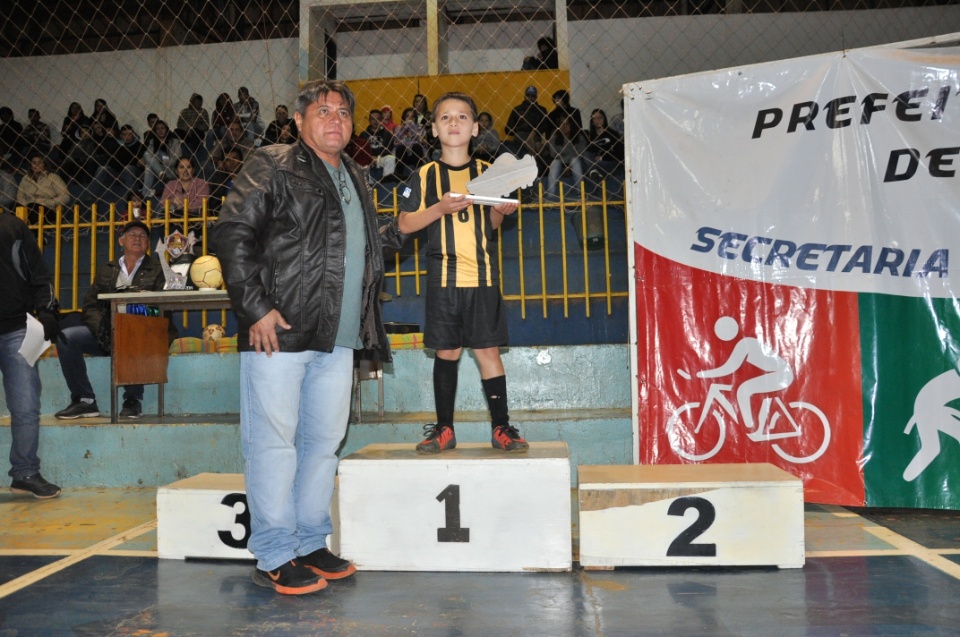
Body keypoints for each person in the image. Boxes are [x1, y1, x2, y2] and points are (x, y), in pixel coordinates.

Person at [214, 79, 406, 595]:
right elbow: (232, 232)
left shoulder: (356, 176)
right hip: (278, 332)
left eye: (343, 112)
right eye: (323, 111)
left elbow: (368, 247)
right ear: (298, 121)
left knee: (322, 445)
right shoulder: (273, 163)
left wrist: (417, 223)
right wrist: (254, 308)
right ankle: (274, 552)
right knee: (273, 445)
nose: (335, 120)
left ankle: (310, 541)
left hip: (337, 337)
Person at [396, 91, 528, 455]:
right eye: (445, 118)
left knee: (488, 351)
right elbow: (405, 224)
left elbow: (492, 224)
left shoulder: (488, 172)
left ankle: (501, 427)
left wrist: (503, 210)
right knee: (448, 352)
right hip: (444, 280)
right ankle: (444, 429)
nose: (454, 123)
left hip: (482, 278)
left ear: (474, 128)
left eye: (462, 117)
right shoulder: (425, 174)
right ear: (434, 130)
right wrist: (439, 208)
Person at [53, 219, 175, 421]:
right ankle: (85, 401)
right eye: (132, 235)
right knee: (67, 337)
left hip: (144, 333)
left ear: (148, 244)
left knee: (130, 330)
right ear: (121, 241)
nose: (137, 238)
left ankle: (132, 400)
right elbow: (90, 306)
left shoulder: (159, 269)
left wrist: (128, 324)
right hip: (107, 332)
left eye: (143, 236)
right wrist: (106, 328)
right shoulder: (107, 269)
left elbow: (163, 308)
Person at [0, 209, 62, 498]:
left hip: (17, 330)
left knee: (25, 407)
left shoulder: (13, 226)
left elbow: (40, 274)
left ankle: (25, 473)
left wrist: (47, 311)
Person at [17, 154, 70, 223]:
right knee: (14, 206)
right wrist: (26, 205)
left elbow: (66, 196)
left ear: (44, 164)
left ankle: (33, 233)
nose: (37, 165)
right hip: (29, 208)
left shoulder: (53, 177)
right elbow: (20, 196)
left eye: (40, 162)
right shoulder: (25, 179)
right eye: (34, 163)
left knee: (33, 207)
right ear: (30, 165)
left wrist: (49, 203)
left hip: (49, 210)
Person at [545, 115, 588, 199]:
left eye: (567, 124)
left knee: (574, 160)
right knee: (555, 162)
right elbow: (554, 154)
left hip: (577, 165)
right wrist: (565, 165)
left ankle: (580, 193)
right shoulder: (554, 137)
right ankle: (550, 196)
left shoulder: (580, 138)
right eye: (562, 124)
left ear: (572, 125)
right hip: (561, 165)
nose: (564, 127)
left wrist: (567, 163)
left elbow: (580, 154)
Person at [505, 86, 548, 165]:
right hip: (521, 134)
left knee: (538, 145)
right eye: (528, 95)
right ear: (524, 96)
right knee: (535, 145)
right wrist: (519, 129)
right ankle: (535, 160)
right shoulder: (517, 109)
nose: (530, 98)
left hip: (536, 134)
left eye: (533, 96)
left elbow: (546, 125)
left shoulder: (541, 110)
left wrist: (534, 132)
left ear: (536, 97)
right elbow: (508, 129)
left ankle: (533, 161)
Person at [142, 120, 182, 198]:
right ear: (155, 131)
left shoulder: (175, 141)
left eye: (162, 128)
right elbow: (147, 156)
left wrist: (162, 160)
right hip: (159, 171)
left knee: (155, 157)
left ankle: (144, 193)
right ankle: (160, 173)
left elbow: (178, 160)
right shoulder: (152, 142)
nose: (160, 131)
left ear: (166, 129)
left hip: (171, 170)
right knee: (147, 162)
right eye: (158, 129)